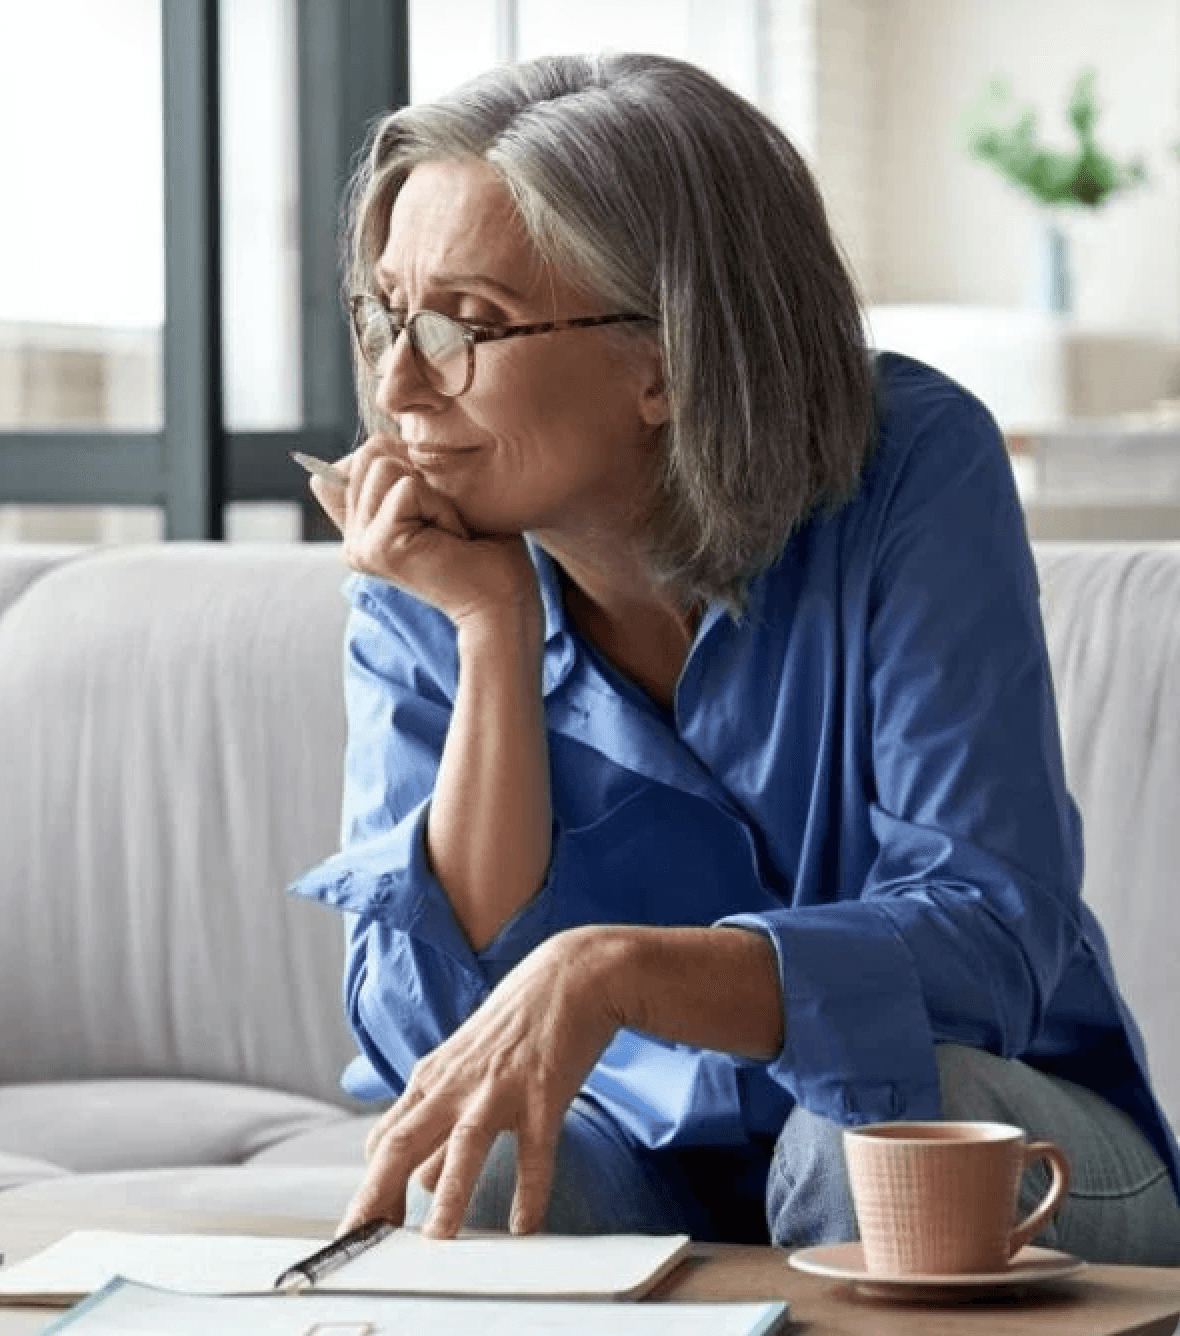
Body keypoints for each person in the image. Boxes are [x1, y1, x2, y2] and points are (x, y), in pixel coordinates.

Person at [286, 51, 1180, 1262]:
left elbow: (990, 936)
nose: (398, 385)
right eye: (387, 314)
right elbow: (427, 1035)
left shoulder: (911, 466)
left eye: (465, 328)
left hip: (997, 1135)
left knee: (857, 1140)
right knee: (478, 1163)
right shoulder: (431, 551)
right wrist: (492, 635)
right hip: (646, 1160)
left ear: (663, 356)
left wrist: (617, 972)